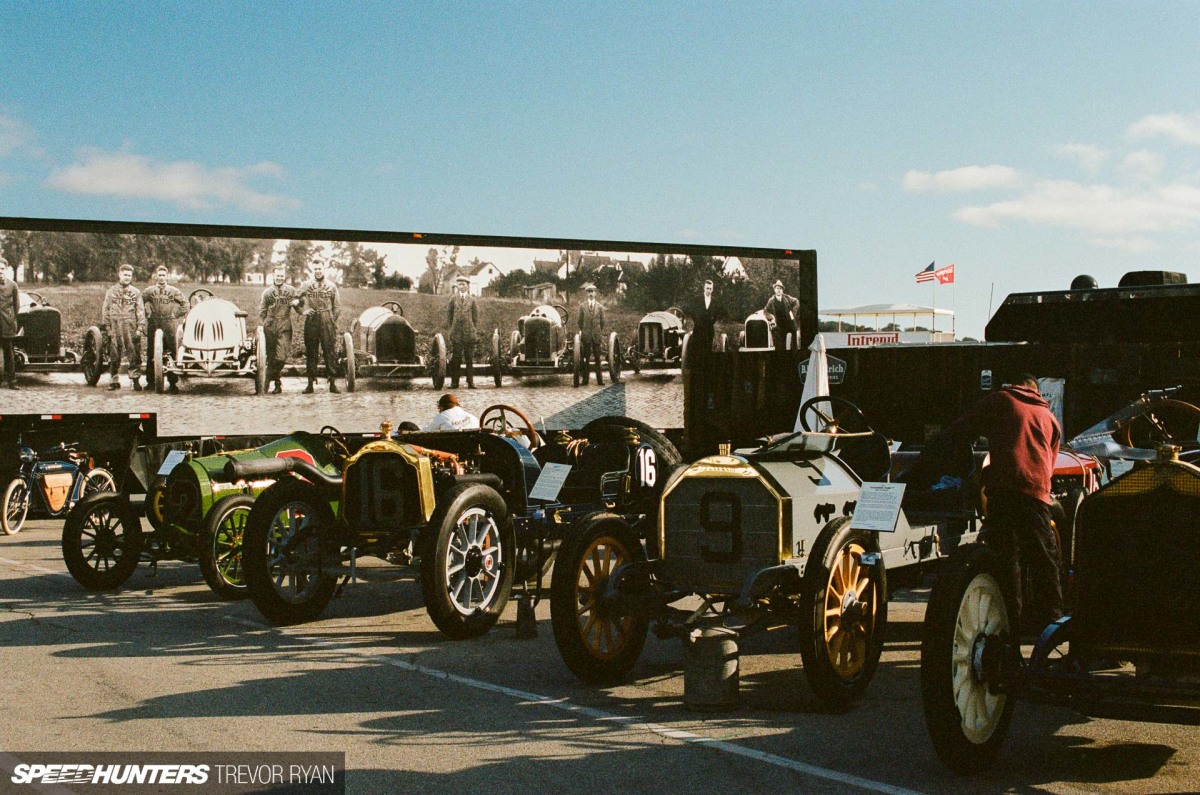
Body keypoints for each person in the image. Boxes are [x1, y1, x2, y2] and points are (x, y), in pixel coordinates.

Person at [948, 374, 1063, 630]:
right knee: (1044, 559)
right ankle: (1053, 624)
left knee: (1007, 557)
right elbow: (1050, 463)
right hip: (1037, 492)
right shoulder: (1050, 418)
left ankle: (1009, 621)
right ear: (1036, 392)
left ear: (1015, 386)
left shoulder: (1002, 400)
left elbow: (962, 429)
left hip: (1004, 489)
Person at [292, 261, 341, 394]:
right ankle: (310, 384)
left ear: (324, 269)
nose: (318, 271)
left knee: (329, 351)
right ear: (313, 270)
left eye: (320, 268)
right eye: (315, 269)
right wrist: (302, 311)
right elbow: (295, 299)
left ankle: (332, 383)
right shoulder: (307, 284)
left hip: (326, 318)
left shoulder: (331, 286)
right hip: (312, 318)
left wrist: (331, 320)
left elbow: (337, 306)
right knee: (311, 351)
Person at [141, 263, 188, 393]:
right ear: (156, 276)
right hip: (154, 322)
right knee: (152, 351)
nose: (161, 278)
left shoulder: (174, 291)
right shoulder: (149, 291)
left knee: (172, 351)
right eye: (159, 275)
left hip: (169, 322)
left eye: (163, 275)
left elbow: (185, 304)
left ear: (167, 277)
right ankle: (151, 382)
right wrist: (146, 312)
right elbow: (140, 303)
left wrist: (176, 314)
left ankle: (172, 383)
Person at [101, 263, 146, 391]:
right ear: (119, 275)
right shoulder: (111, 292)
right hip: (115, 326)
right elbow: (106, 310)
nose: (127, 277)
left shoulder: (136, 292)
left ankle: (135, 380)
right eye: (125, 275)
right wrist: (107, 328)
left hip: (130, 326)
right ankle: (114, 380)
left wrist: (140, 328)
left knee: (134, 353)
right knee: (114, 354)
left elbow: (140, 311)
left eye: (129, 275)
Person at [258, 266, 296, 393]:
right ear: (273, 276)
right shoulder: (267, 292)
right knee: (271, 356)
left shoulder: (291, 290)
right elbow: (262, 311)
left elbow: (299, 302)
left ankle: (267, 378)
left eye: (281, 276)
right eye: (277, 276)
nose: (279, 278)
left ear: (284, 276)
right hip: (270, 325)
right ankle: (278, 384)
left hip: (285, 325)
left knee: (281, 357)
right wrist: (264, 325)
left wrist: (298, 303)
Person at [446, 274, 478, 389]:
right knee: (456, 358)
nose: (461, 286)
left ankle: (470, 382)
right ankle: (455, 383)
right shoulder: (453, 299)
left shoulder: (472, 300)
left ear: (468, 286)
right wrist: (453, 328)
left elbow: (475, 318)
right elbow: (449, 315)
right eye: (459, 284)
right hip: (456, 334)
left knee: (469, 358)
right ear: (457, 286)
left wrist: (472, 329)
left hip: (469, 333)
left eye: (463, 284)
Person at [577, 282, 606, 386]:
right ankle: (585, 380)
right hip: (586, 336)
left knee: (598, 359)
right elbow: (579, 322)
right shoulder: (582, 306)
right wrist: (585, 331)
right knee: (586, 359)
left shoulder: (600, 307)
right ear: (586, 294)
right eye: (589, 292)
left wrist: (597, 331)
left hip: (596, 336)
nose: (591, 294)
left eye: (592, 291)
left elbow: (602, 322)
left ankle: (600, 380)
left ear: (595, 293)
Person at [689, 279, 721, 359]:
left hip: (709, 329)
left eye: (710, 289)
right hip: (698, 328)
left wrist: (711, 322)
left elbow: (717, 314)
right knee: (698, 349)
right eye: (707, 288)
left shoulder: (715, 301)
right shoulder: (697, 299)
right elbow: (692, 312)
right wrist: (697, 322)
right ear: (704, 288)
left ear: (712, 289)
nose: (708, 290)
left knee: (708, 349)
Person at [763, 279, 800, 350]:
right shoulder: (771, 300)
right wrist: (771, 318)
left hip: (790, 322)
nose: (779, 290)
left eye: (780, 288)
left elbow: (796, 302)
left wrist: (793, 313)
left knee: (794, 341)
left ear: (782, 290)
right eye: (777, 288)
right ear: (774, 290)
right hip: (780, 324)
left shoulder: (787, 298)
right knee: (780, 345)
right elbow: (765, 311)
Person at [0, 257, 19, 390]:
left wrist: (12, 320)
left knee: (9, 353)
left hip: (7, 324)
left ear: (5, 270)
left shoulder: (12, 285)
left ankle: (12, 381)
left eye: (2, 269)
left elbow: (16, 306)